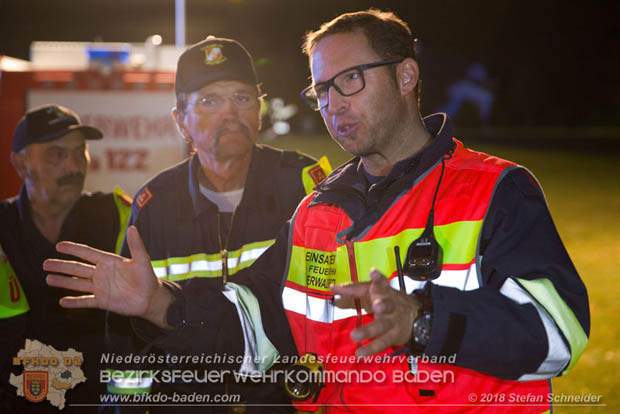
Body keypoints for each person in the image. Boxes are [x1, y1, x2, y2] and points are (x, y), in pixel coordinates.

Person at [45, 9, 590, 414]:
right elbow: (257, 331)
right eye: (322, 89)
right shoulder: (316, 212)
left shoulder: (495, 190)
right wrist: (161, 305)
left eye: (350, 80)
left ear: (406, 76)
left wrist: (424, 319)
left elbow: (559, 334)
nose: (334, 103)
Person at [102, 36, 331, 413]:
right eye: (209, 101)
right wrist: (123, 407)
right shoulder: (154, 206)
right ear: (181, 121)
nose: (230, 113)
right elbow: (125, 340)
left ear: (259, 111)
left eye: (242, 98)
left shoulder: (305, 185)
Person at [0, 104, 132, 413]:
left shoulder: (117, 216)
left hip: (99, 401)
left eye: (80, 152)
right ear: (21, 163)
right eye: (57, 154)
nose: (74, 166)